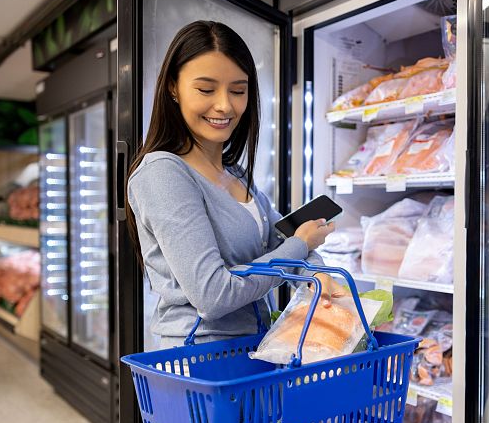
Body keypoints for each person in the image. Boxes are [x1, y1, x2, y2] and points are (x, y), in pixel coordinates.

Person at [127, 21, 343, 349]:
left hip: (256, 347)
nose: (225, 106)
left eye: (238, 91)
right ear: (173, 87)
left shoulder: (237, 173)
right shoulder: (163, 174)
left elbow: (279, 241)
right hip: (201, 358)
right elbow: (213, 296)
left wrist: (317, 273)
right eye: (206, 89)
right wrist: (300, 247)